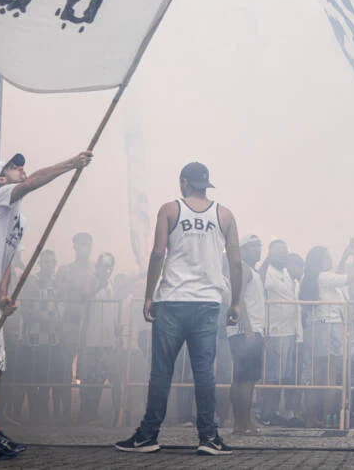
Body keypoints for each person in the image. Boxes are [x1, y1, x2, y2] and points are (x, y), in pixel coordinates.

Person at [0, 150, 92, 460]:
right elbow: (37, 179)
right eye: (12, 168)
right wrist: (71, 163)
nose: (20, 169)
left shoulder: (17, 218)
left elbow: (6, 261)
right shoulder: (0, 197)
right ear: (0, 179)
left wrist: (2, 294)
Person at [115, 162, 242, 456]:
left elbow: (158, 252)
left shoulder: (170, 210)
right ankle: (208, 436)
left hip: (172, 299)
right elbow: (235, 262)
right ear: (206, 184)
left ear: (184, 182)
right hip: (208, 302)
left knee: (161, 371)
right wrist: (235, 301)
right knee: (204, 372)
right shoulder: (224, 214)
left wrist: (148, 296)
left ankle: (148, 436)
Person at [300, 240, 354, 428]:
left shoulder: (315, 278)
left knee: (318, 375)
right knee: (328, 375)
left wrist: (345, 255)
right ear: (320, 260)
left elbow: (339, 273)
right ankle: (324, 416)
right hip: (327, 327)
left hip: (319, 327)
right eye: (327, 257)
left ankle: (314, 417)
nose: (331, 260)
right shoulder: (323, 277)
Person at [54, 231, 96, 424]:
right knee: (63, 368)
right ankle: (63, 412)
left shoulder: (97, 270)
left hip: (90, 324)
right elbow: (61, 292)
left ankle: (86, 412)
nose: (83, 248)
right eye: (80, 244)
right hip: (70, 322)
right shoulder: (64, 270)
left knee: (87, 368)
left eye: (87, 244)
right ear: (74, 246)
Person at [260, 239, 301, 426]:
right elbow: (261, 283)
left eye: (285, 251)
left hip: (291, 332)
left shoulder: (286, 273)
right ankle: (269, 413)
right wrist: (268, 259)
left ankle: (285, 412)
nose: (283, 255)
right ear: (270, 253)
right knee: (273, 376)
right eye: (279, 252)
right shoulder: (267, 272)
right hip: (275, 333)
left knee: (287, 376)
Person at [228, 236, 266, 435]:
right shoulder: (242, 268)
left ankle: (246, 420)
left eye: (258, 246)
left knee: (250, 379)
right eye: (251, 247)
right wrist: (249, 329)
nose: (257, 250)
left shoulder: (255, 272)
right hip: (243, 331)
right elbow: (239, 298)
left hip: (255, 330)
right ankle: (239, 423)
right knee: (242, 378)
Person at [78, 252, 120, 423]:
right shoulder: (90, 280)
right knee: (87, 375)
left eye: (109, 266)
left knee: (100, 375)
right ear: (98, 266)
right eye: (103, 265)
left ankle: (93, 410)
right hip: (91, 337)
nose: (106, 269)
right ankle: (85, 410)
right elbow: (84, 297)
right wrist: (98, 285)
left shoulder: (111, 284)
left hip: (107, 339)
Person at [20, 249, 60, 423]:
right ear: (40, 264)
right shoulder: (31, 282)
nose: (48, 265)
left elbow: (62, 305)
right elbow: (25, 307)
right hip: (33, 337)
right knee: (31, 376)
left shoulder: (58, 282)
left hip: (52, 337)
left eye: (52, 262)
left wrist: (58, 320)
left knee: (47, 376)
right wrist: (41, 316)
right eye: (45, 262)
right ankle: (33, 412)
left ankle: (43, 412)